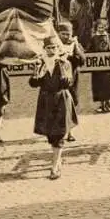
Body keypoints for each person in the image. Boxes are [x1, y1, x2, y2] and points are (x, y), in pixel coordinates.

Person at [29, 36, 78, 180]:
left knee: (58, 134)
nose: (51, 50)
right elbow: (33, 84)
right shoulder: (41, 64)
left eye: (54, 48)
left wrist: (62, 68)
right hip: (46, 101)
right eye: (48, 48)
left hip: (61, 100)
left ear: (58, 49)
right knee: (51, 135)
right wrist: (37, 72)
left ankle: (54, 166)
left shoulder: (65, 63)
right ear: (44, 49)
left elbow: (67, 83)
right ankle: (58, 158)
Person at [58, 20, 85, 141]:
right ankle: (60, 130)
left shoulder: (75, 44)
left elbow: (82, 61)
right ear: (58, 33)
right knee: (59, 105)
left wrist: (75, 51)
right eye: (63, 34)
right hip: (58, 81)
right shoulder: (54, 45)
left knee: (71, 104)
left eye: (68, 34)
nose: (65, 36)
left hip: (72, 79)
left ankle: (70, 132)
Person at [89, 19, 110, 113]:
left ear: (106, 27)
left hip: (107, 66)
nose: (101, 29)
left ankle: (108, 103)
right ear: (96, 28)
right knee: (98, 86)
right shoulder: (93, 38)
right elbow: (90, 50)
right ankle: (101, 104)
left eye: (103, 27)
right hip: (97, 67)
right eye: (99, 27)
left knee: (107, 85)